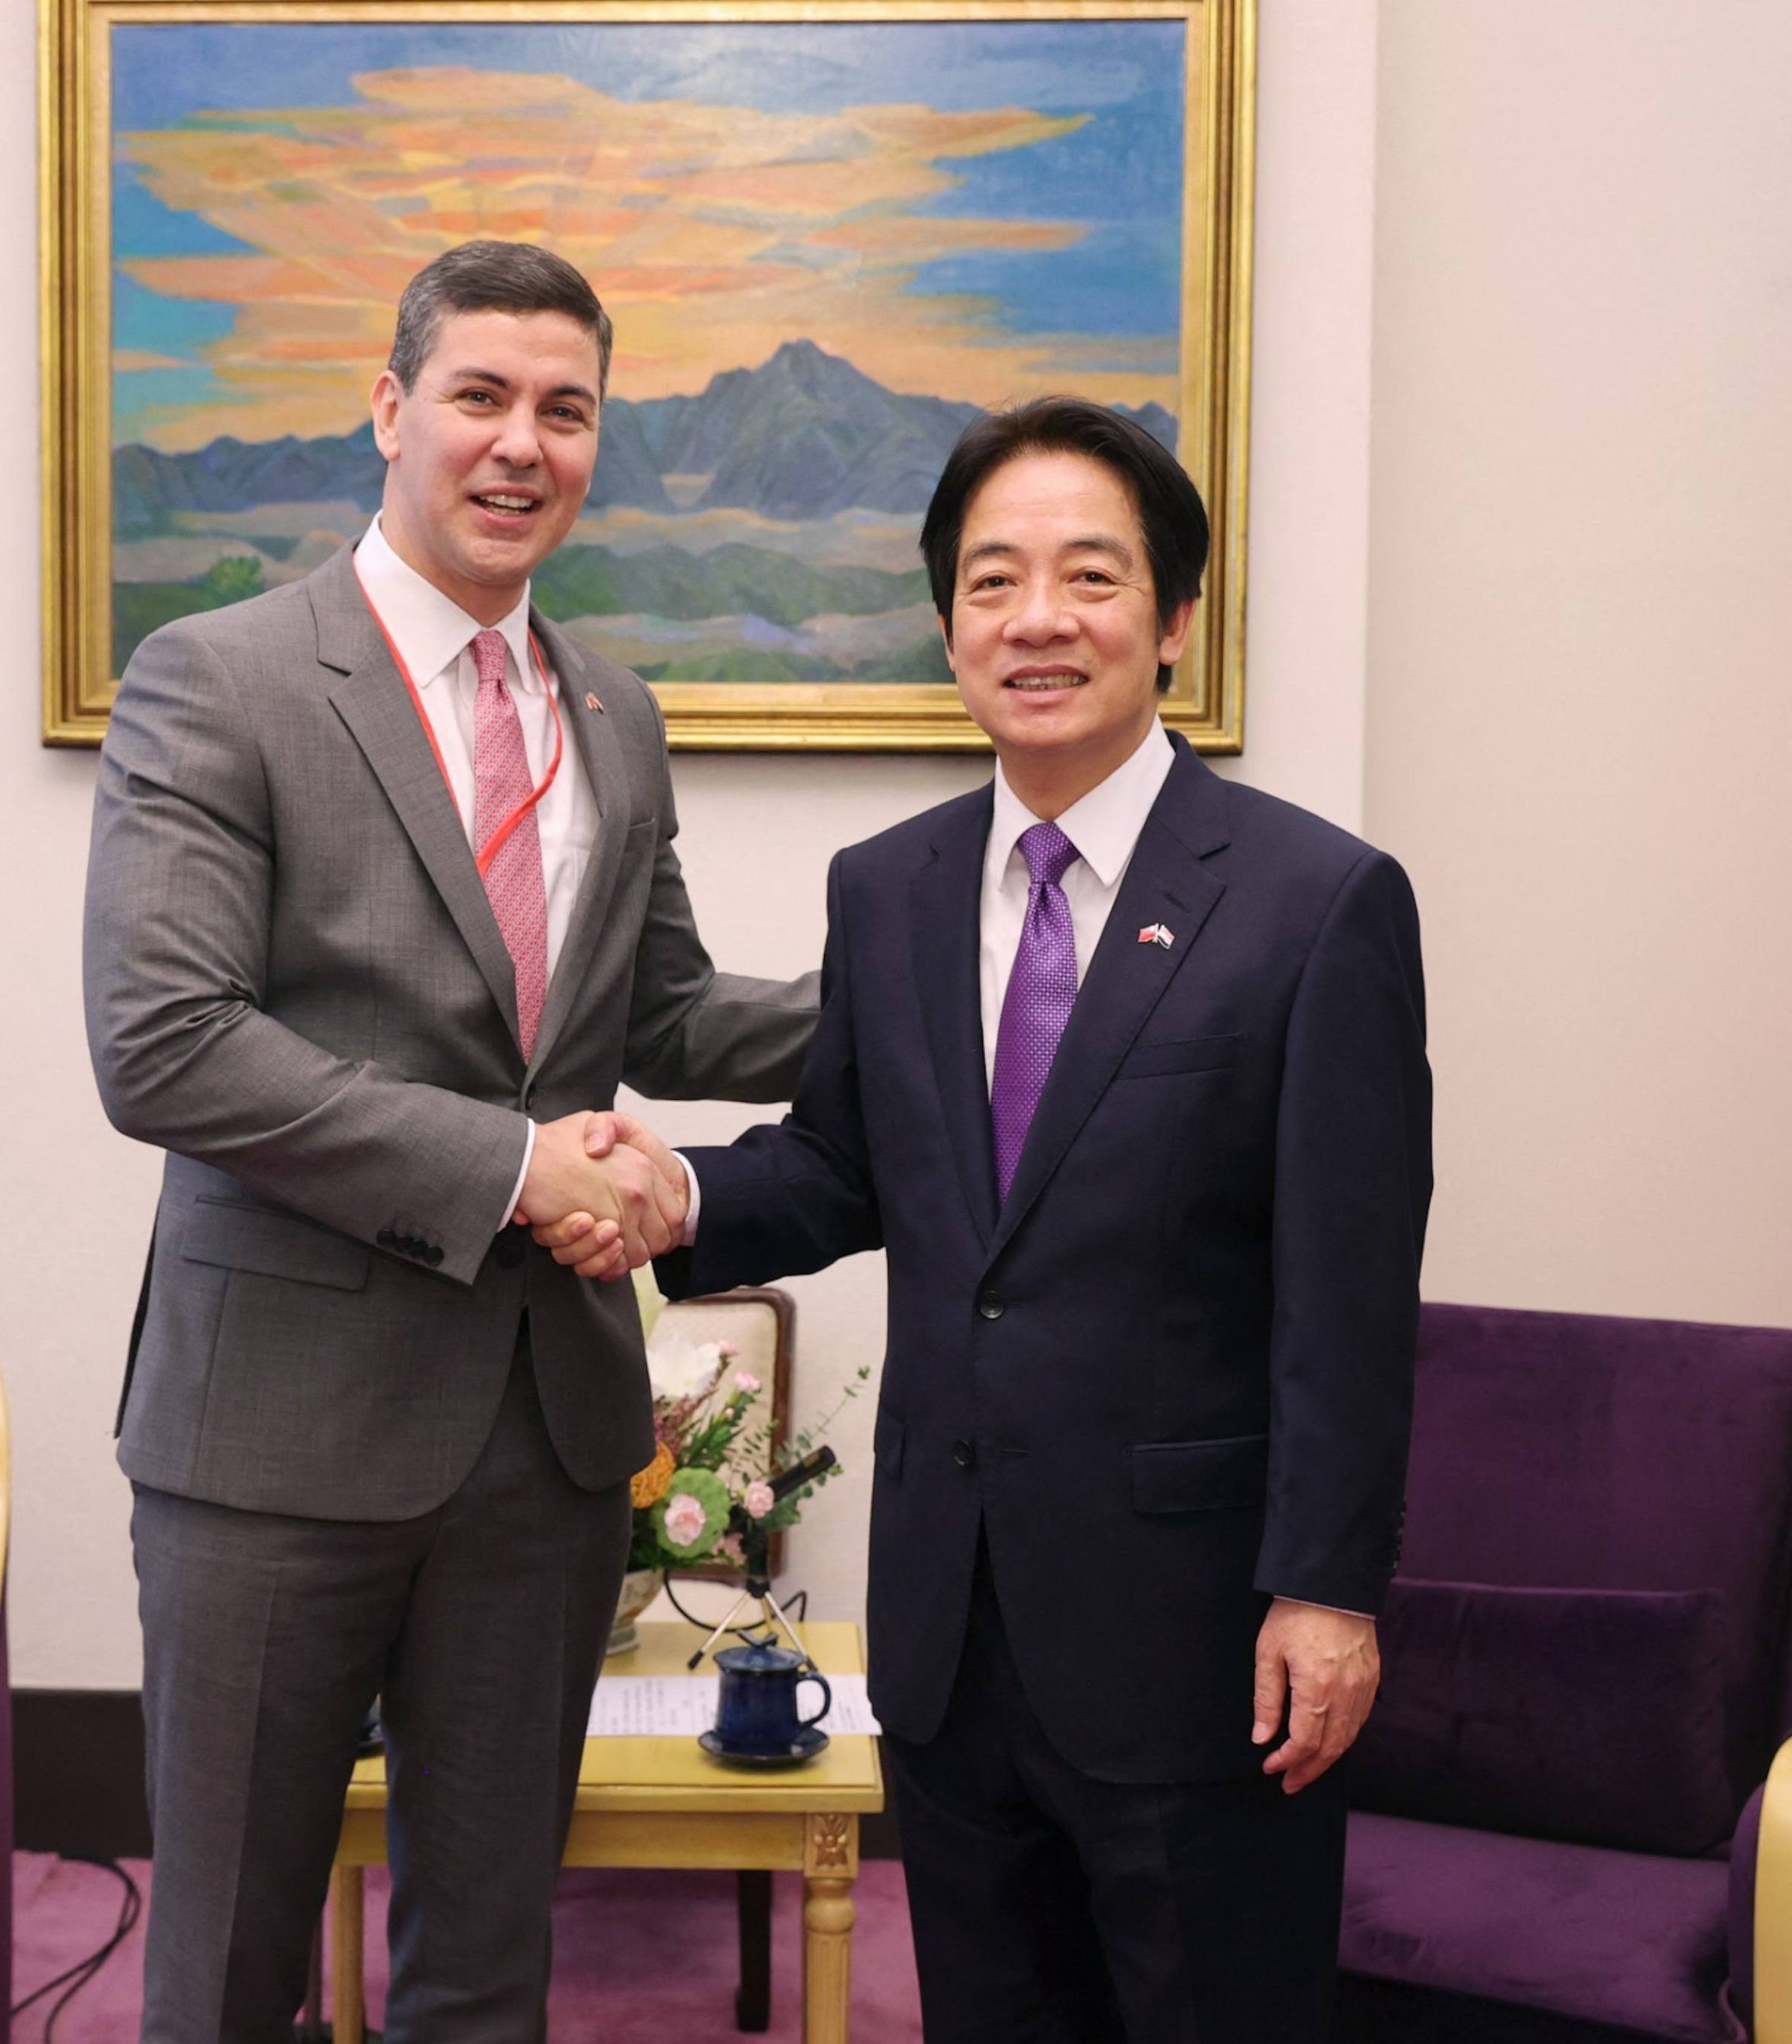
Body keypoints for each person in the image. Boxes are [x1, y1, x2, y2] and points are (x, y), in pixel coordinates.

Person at [546, 397, 1431, 2038]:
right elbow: (844, 1165)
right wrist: (672, 1190)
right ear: (945, 623)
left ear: (1172, 621)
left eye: (1087, 578)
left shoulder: (1316, 905)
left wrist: (1326, 1590)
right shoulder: (890, 887)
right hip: (951, 1625)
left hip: (1197, 1638)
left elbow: (1349, 1293)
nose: (1035, 620)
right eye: (989, 581)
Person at [82, 240, 817, 2044]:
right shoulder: (220, 679)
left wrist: (952, 979)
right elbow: (163, 1047)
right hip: (273, 1436)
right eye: (480, 396)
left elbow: (661, 1017)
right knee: (231, 1974)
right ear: (392, 406)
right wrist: (507, 1170)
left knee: (486, 1968)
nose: (521, 444)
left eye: (564, 410)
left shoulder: (615, 715)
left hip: (541, 1444)